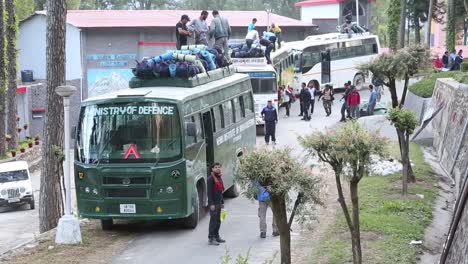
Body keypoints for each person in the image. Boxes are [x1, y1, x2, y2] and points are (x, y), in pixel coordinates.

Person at [207, 162, 225, 246]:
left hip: (218, 202)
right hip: (213, 203)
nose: (218, 168)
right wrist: (211, 204)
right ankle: (211, 238)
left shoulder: (219, 177)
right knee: (213, 221)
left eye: (219, 167)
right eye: (216, 167)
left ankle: (217, 236)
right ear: (212, 169)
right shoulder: (210, 179)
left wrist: (222, 202)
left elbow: (220, 191)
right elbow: (209, 193)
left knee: (218, 221)